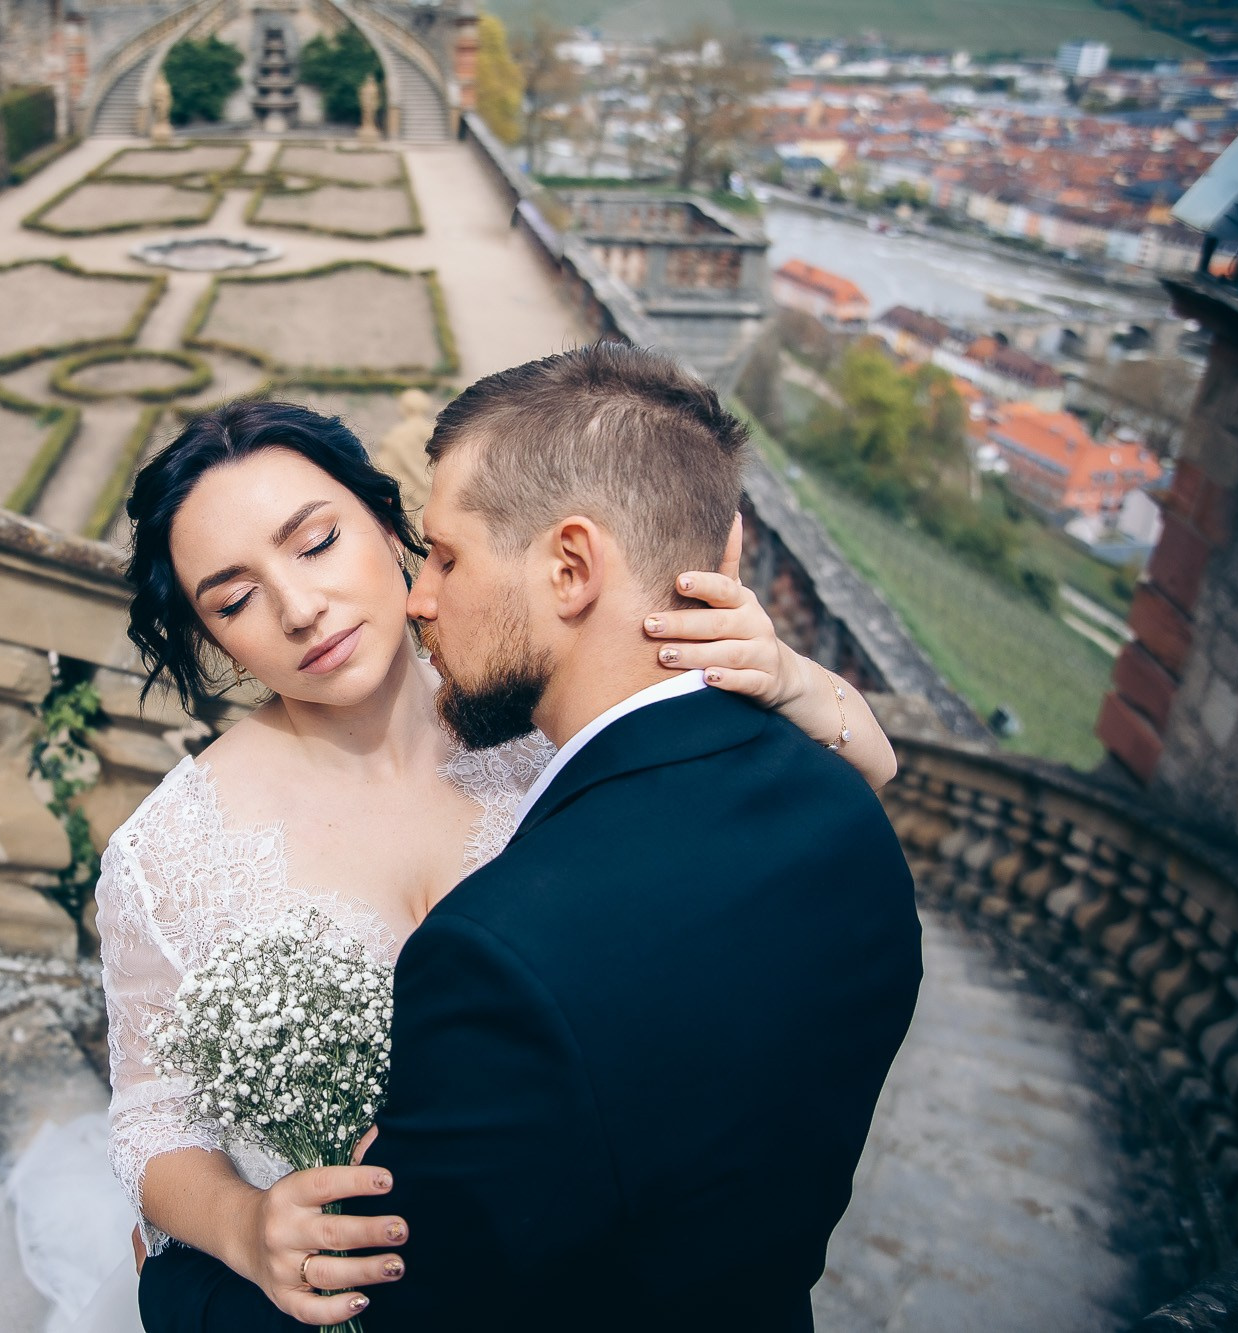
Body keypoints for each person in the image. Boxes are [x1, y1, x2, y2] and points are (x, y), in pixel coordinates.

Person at [128, 346, 922, 1331]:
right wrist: (239, 1226)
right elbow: (157, 1116)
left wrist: (171, 1283)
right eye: (233, 598)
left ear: (389, 528)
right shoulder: (170, 841)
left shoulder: (540, 746)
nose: (296, 607)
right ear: (211, 635)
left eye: (316, 541)